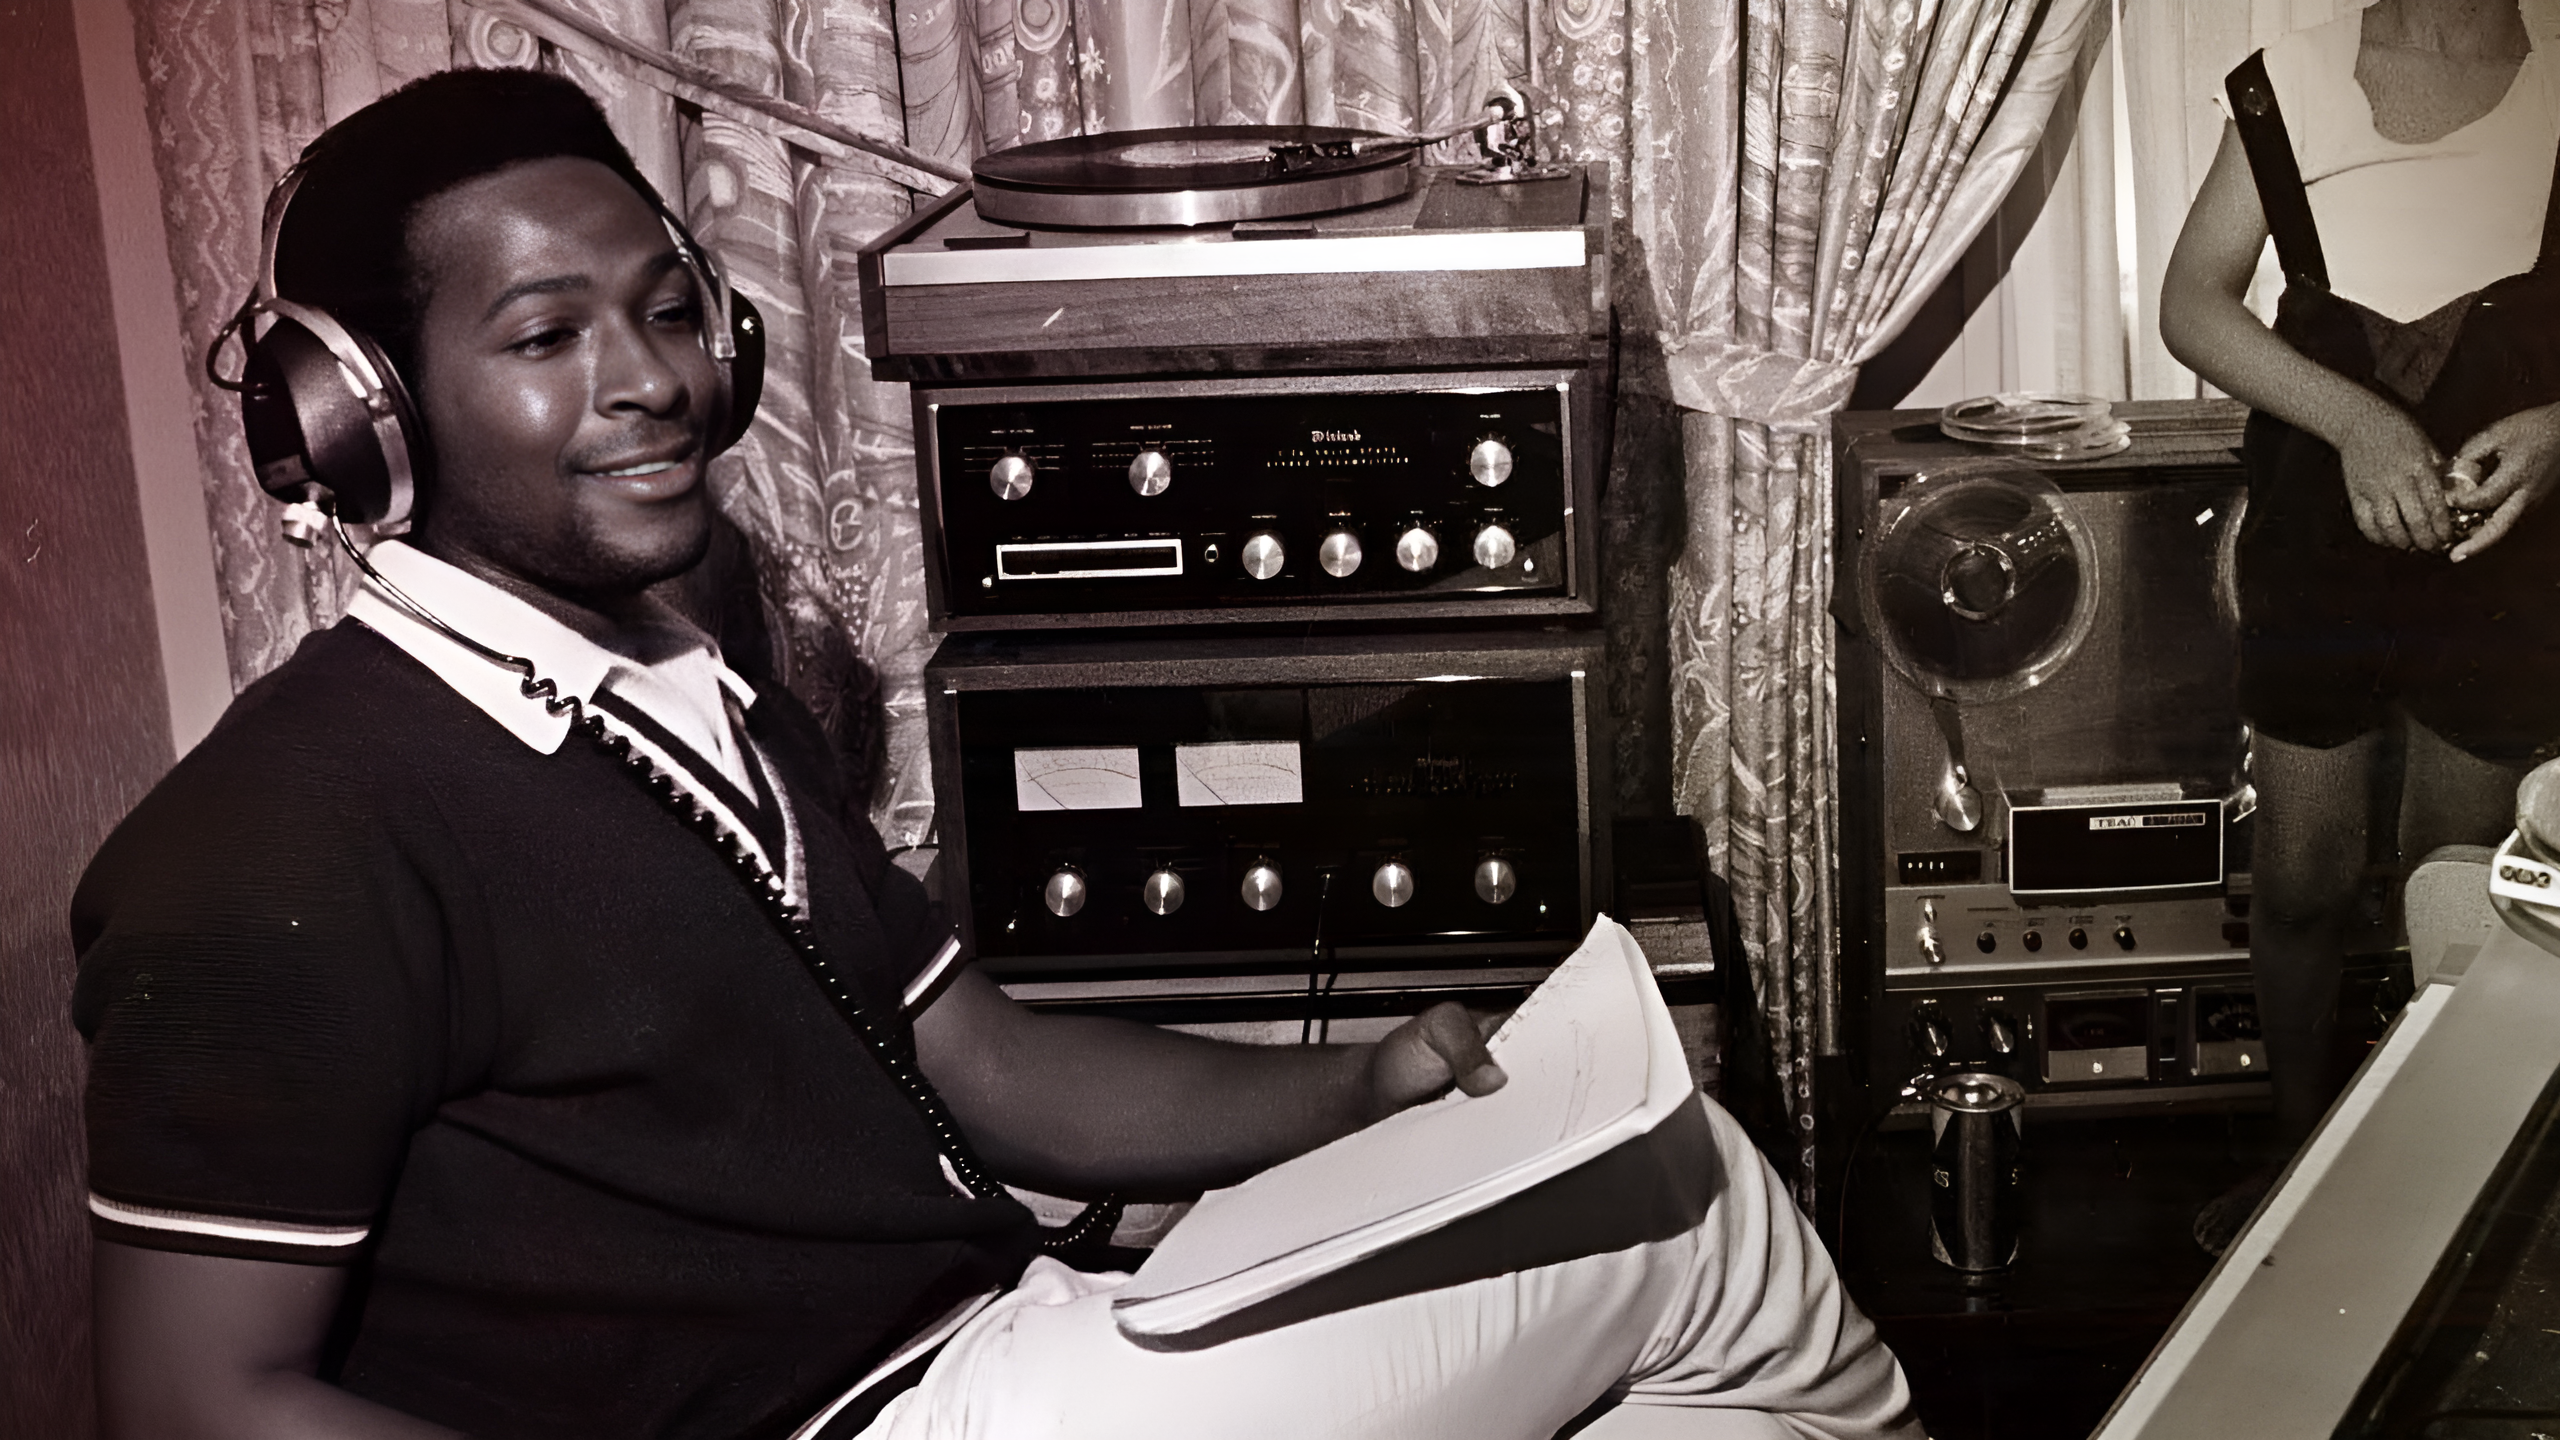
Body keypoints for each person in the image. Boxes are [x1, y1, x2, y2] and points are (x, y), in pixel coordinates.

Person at [73, 70, 1918, 1440]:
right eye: (545, 336)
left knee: (1675, 1238)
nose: (649, 379)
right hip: (872, 1421)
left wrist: (1366, 1087)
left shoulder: (677, 674)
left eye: (662, 310)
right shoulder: (274, 842)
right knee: (1698, 1230)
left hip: (999, 1340)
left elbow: (983, 1052)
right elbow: (194, 1405)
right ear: (356, 415)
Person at [2160, 0, 2560, 1252]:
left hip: (2508, 546)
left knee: (2452, 886)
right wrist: (2359, 423)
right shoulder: (2284, 76)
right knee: (2302, 880)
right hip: (2317, 535)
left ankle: (2428, 1180)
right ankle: (2299, 1162)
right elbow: (2193, 305)